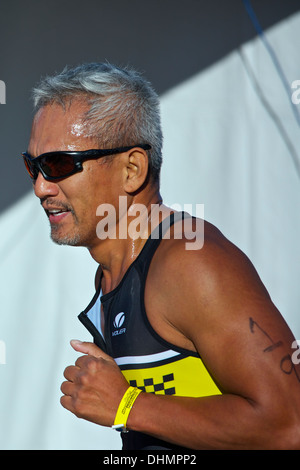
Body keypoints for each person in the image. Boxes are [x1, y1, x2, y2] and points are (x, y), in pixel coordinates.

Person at [23, 62, 300, 450]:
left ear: (132, 169)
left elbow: (289, 423)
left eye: (58, 164)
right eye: (32, 165)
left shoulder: (190, 262)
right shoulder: (113, 272)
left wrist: (128, 405)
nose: (40, 188)